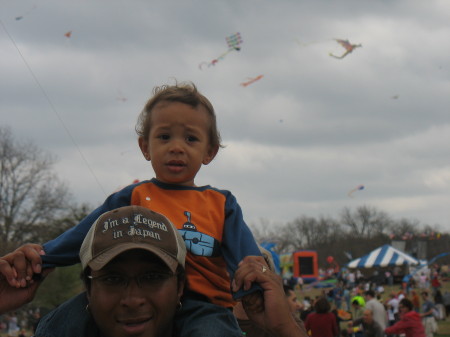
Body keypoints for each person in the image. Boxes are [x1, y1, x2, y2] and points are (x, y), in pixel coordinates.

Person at [0, 83, 263, 337]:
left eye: (191, 138)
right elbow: (83, 236)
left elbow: (247, 260)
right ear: (145, 147)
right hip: (129, 295)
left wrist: (258, 288)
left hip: (205, 305)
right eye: (164, 136)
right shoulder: (133, 196)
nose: (176, 147)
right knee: (62, 321)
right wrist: (42, 259)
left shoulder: (221, 203)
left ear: (210, 151)